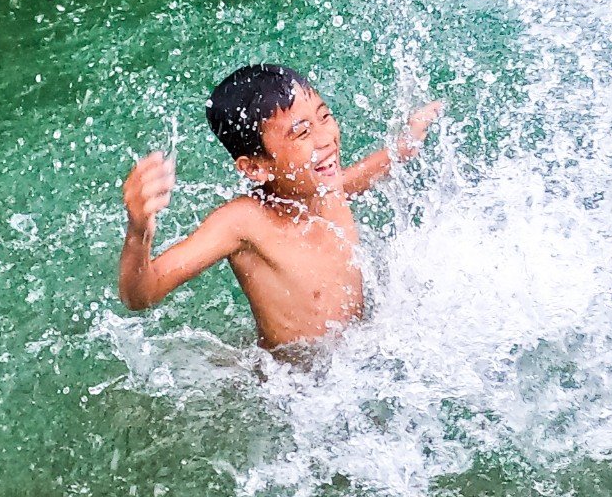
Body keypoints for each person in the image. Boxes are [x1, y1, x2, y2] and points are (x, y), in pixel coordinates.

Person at [117, 63, 442, 349]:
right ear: (256, 168)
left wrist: (401, 150)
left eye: (324, 116)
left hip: (355, 357)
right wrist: (139, 228)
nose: (325, 139)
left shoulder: (323, 185)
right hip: (299, 388)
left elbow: (350, 181)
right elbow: (141, 294)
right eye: (301, 133)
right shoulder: (244, 222)